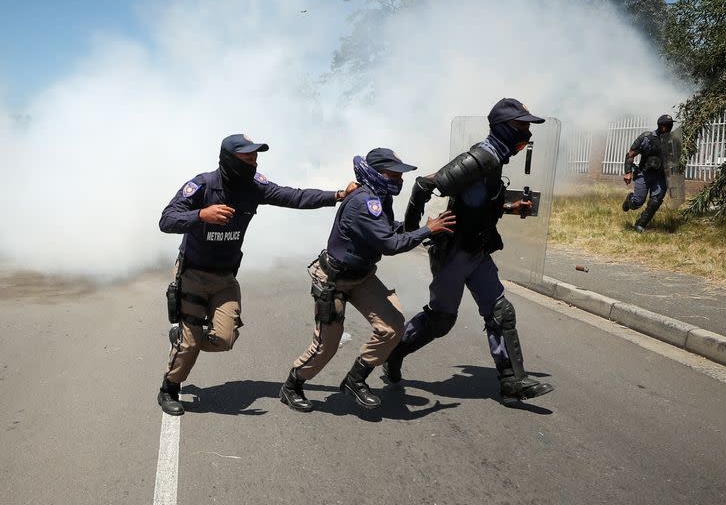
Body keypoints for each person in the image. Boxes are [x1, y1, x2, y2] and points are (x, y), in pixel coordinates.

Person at [156, 133, 357, 416]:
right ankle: (169, 387)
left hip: (225, 277)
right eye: (247, 157)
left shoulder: (255, 186)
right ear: (228, 159)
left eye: (255, 157)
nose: (254, 162)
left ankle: (182, 339)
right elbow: (166, 220)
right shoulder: (202, 185)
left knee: (224, 339)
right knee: (190, 343)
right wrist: (201, 215)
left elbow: (294, 196)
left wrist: (337, 196)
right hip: (193, 274)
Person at [383, 98, 555, 407]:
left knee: (501, 311)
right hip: (454, 252)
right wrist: (411, 231)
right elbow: (423, 185)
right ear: (504, 128)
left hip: (477, 249)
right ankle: (392, 352)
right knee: (441, 321)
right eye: (521, 126)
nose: (527, 133)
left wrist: (509, 207)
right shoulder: (480, 158)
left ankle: (512, 382)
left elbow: (477, 204)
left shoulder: (495, 160)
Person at [279, 148, 456, 412]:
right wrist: (425, 230)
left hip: (361, 276)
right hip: (334, 280)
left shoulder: (379, 197)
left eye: (400, 174)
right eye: (393, 174)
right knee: (327, 345)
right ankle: (292, 386)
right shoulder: (365, 202)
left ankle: (355, 379)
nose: (399, 179)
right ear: (376, 173)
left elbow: (385, 228)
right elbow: (389, 244)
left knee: (392, 326)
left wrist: (420, 229)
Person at [622, 114, 675, 233]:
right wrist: (628, 172)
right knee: (637, 203)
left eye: (671, 124)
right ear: (662, 127)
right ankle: (630, 199)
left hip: (660, 177)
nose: (671, 127)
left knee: (655, 201)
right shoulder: (647, 138)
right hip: (644, 174)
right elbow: (630, 155)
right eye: (668, 125)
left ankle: (641, 224)